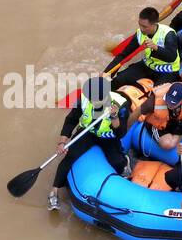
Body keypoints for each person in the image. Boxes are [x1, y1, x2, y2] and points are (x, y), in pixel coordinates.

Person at [48, 75, 133, 211]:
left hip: (109, 137)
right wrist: (62, 143)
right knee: (70, 155)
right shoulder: (83, 98)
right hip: (87, 133)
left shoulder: (121, 104)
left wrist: (114, 117)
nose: (92, 102)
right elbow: (71, 120)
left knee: (117, 163)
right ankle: (54, 191)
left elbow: (121, 132)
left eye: (95, 100)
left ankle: (124, 162)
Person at [110, 6, 181, 89]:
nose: (141, 29)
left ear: (154, 24)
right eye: (140, 25)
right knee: (119, 80)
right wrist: (107, 73)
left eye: (144, 27)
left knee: (155, 95)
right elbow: (123, 55)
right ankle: (98, 95)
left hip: (167, 71)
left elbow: (172, 57)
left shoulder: (168, 34)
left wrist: (156, 47)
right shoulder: (140, 33)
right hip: (148, 65)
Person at [136, 80, 182, 153]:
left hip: (177, 121)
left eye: (173, 103)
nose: (169, 104)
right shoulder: (153, 101)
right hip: (158, 123)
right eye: (169, 99)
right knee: (168, 144)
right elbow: (137, 113)